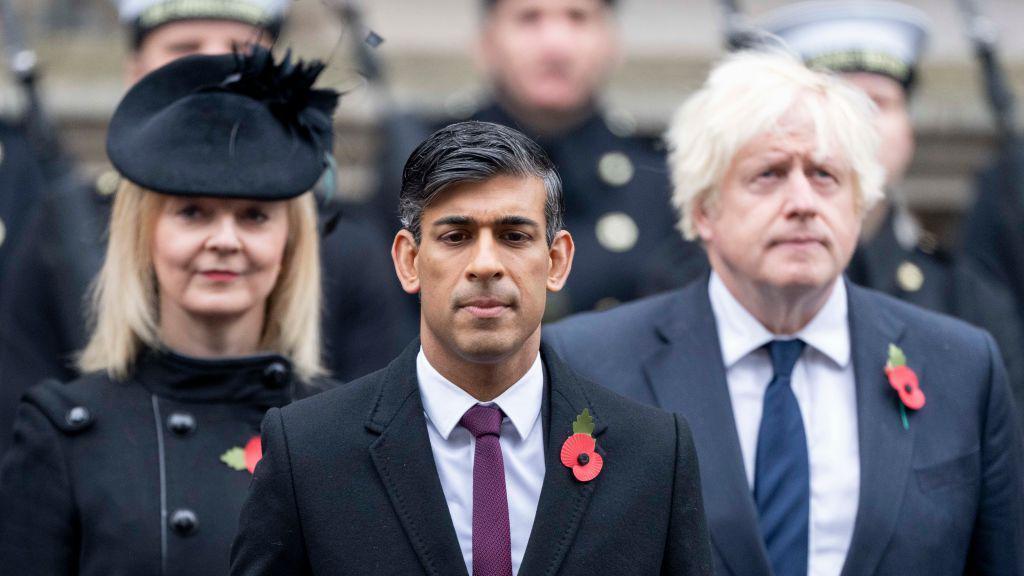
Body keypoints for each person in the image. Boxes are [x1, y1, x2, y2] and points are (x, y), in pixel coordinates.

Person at [546, 52, 1024, 575]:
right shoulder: (588, 365)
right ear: (705, 210)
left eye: (825, 176)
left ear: (859, 203)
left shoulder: (961, 365)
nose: (802, 201)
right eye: (769, 175)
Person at [230, 120, 714, 576]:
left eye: (514, 236)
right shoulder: (309, 450)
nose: (485, 264)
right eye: (456, 236)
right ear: (409, 260)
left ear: (556, 260)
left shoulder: (652, 455)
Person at [0, 0, 409, 459]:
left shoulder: (345, 247)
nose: (216, 70)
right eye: (185, 48)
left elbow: (382, 434)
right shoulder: (62, 233)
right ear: (135, 71)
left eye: (240, 49)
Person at [0, 46, 340, 575]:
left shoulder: (340, 433)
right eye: (192, 212)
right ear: (144, 234)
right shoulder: (64, 435)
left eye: (254, 216)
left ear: (291, 244)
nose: (224, 240)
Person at [760, 0, 1024, 425]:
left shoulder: (965, 296)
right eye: (841, 102)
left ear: (909, 131)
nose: (860, 124)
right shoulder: (721, 282)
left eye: (879, 103)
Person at [373, 0, 705, 319]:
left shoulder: (658, 179)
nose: (555, 45)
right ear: (485, 43)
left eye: (578, 17)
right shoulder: (419, 165)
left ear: (613, 43)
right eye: (528, 18)